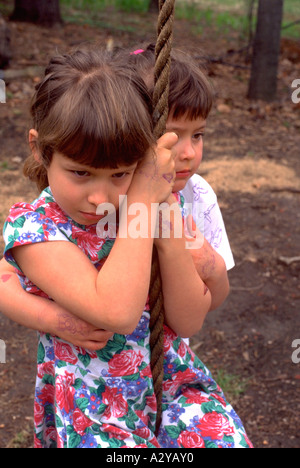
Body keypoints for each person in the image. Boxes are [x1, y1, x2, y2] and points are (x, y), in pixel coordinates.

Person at [0, 45, 252, 448]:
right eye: (80, 173)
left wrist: (171, 243)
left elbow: (188, 323)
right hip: (92, 408)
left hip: (169, 383)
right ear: (39, 149)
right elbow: (115, 311)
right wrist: (139, 202)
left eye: (120, 173)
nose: (101, 197)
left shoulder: (145, 209)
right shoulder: (37, 227)